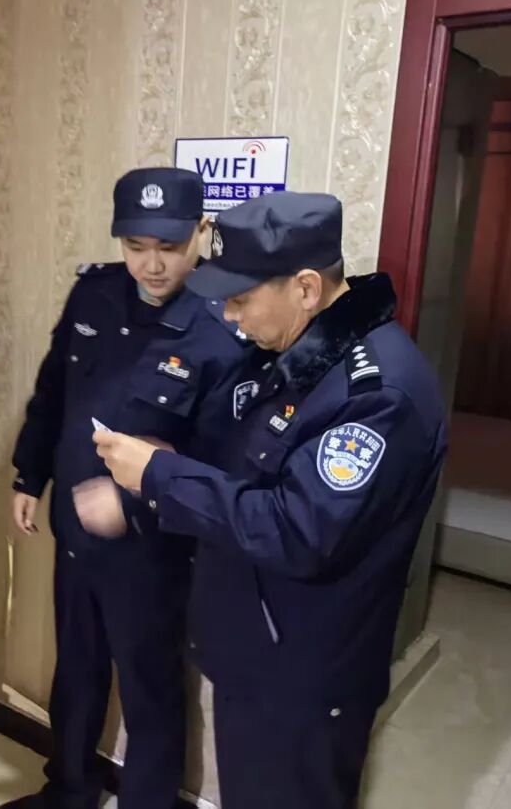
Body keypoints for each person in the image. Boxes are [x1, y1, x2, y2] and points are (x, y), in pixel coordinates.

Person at [94, 191, 448, 809]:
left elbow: (297, 529)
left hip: (303, 680)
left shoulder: (377, 395)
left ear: (306, 288)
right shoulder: (296, 354)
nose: (231, 317)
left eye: (241, 298)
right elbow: (249, 467)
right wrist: (168, 458)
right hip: (255, 654)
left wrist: (160, 477)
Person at [1, 168, 248, 809]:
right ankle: (69, 791)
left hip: (154, 549)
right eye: (136, 246)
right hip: (75, 533)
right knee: (75, 669)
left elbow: (227, 459)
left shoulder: (225, 323)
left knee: (150, 690)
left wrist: (136, 498)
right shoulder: (96, 294)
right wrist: (30, 473)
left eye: (169, 246)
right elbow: (54, 391)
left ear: (201, 231)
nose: (152, 265)